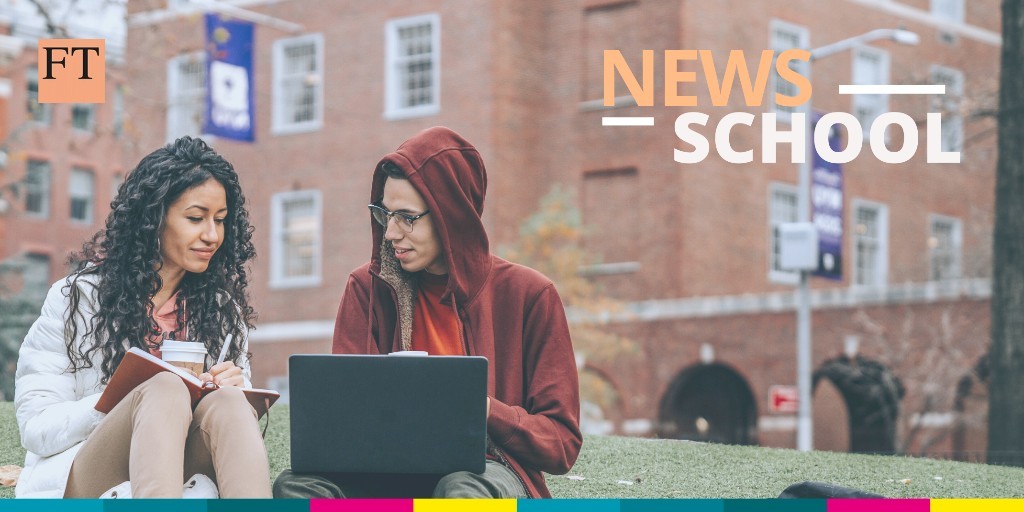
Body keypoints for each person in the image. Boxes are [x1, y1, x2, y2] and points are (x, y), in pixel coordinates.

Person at [274, 126, 582, 499]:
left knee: (461, 490)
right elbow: (345, 423)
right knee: (295, 485)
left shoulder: (530, 295)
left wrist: (484, 409)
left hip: (488, 471)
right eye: (384, 214)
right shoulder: (365, 289)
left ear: (451, 215)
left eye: (407, 217)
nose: (390, 232)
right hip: (384, 474)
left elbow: (561, 444)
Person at [14, 136, 272, 498]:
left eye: (221, 220)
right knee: (164, 387)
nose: (212, 235)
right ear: (154, 219)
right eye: (196, 218)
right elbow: (36, 428)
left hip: (185, 477)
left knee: (229, 402)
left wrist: (236, 390)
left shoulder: (221, 312)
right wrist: (120, 399)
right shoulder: (77, 298)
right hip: (86, 477)